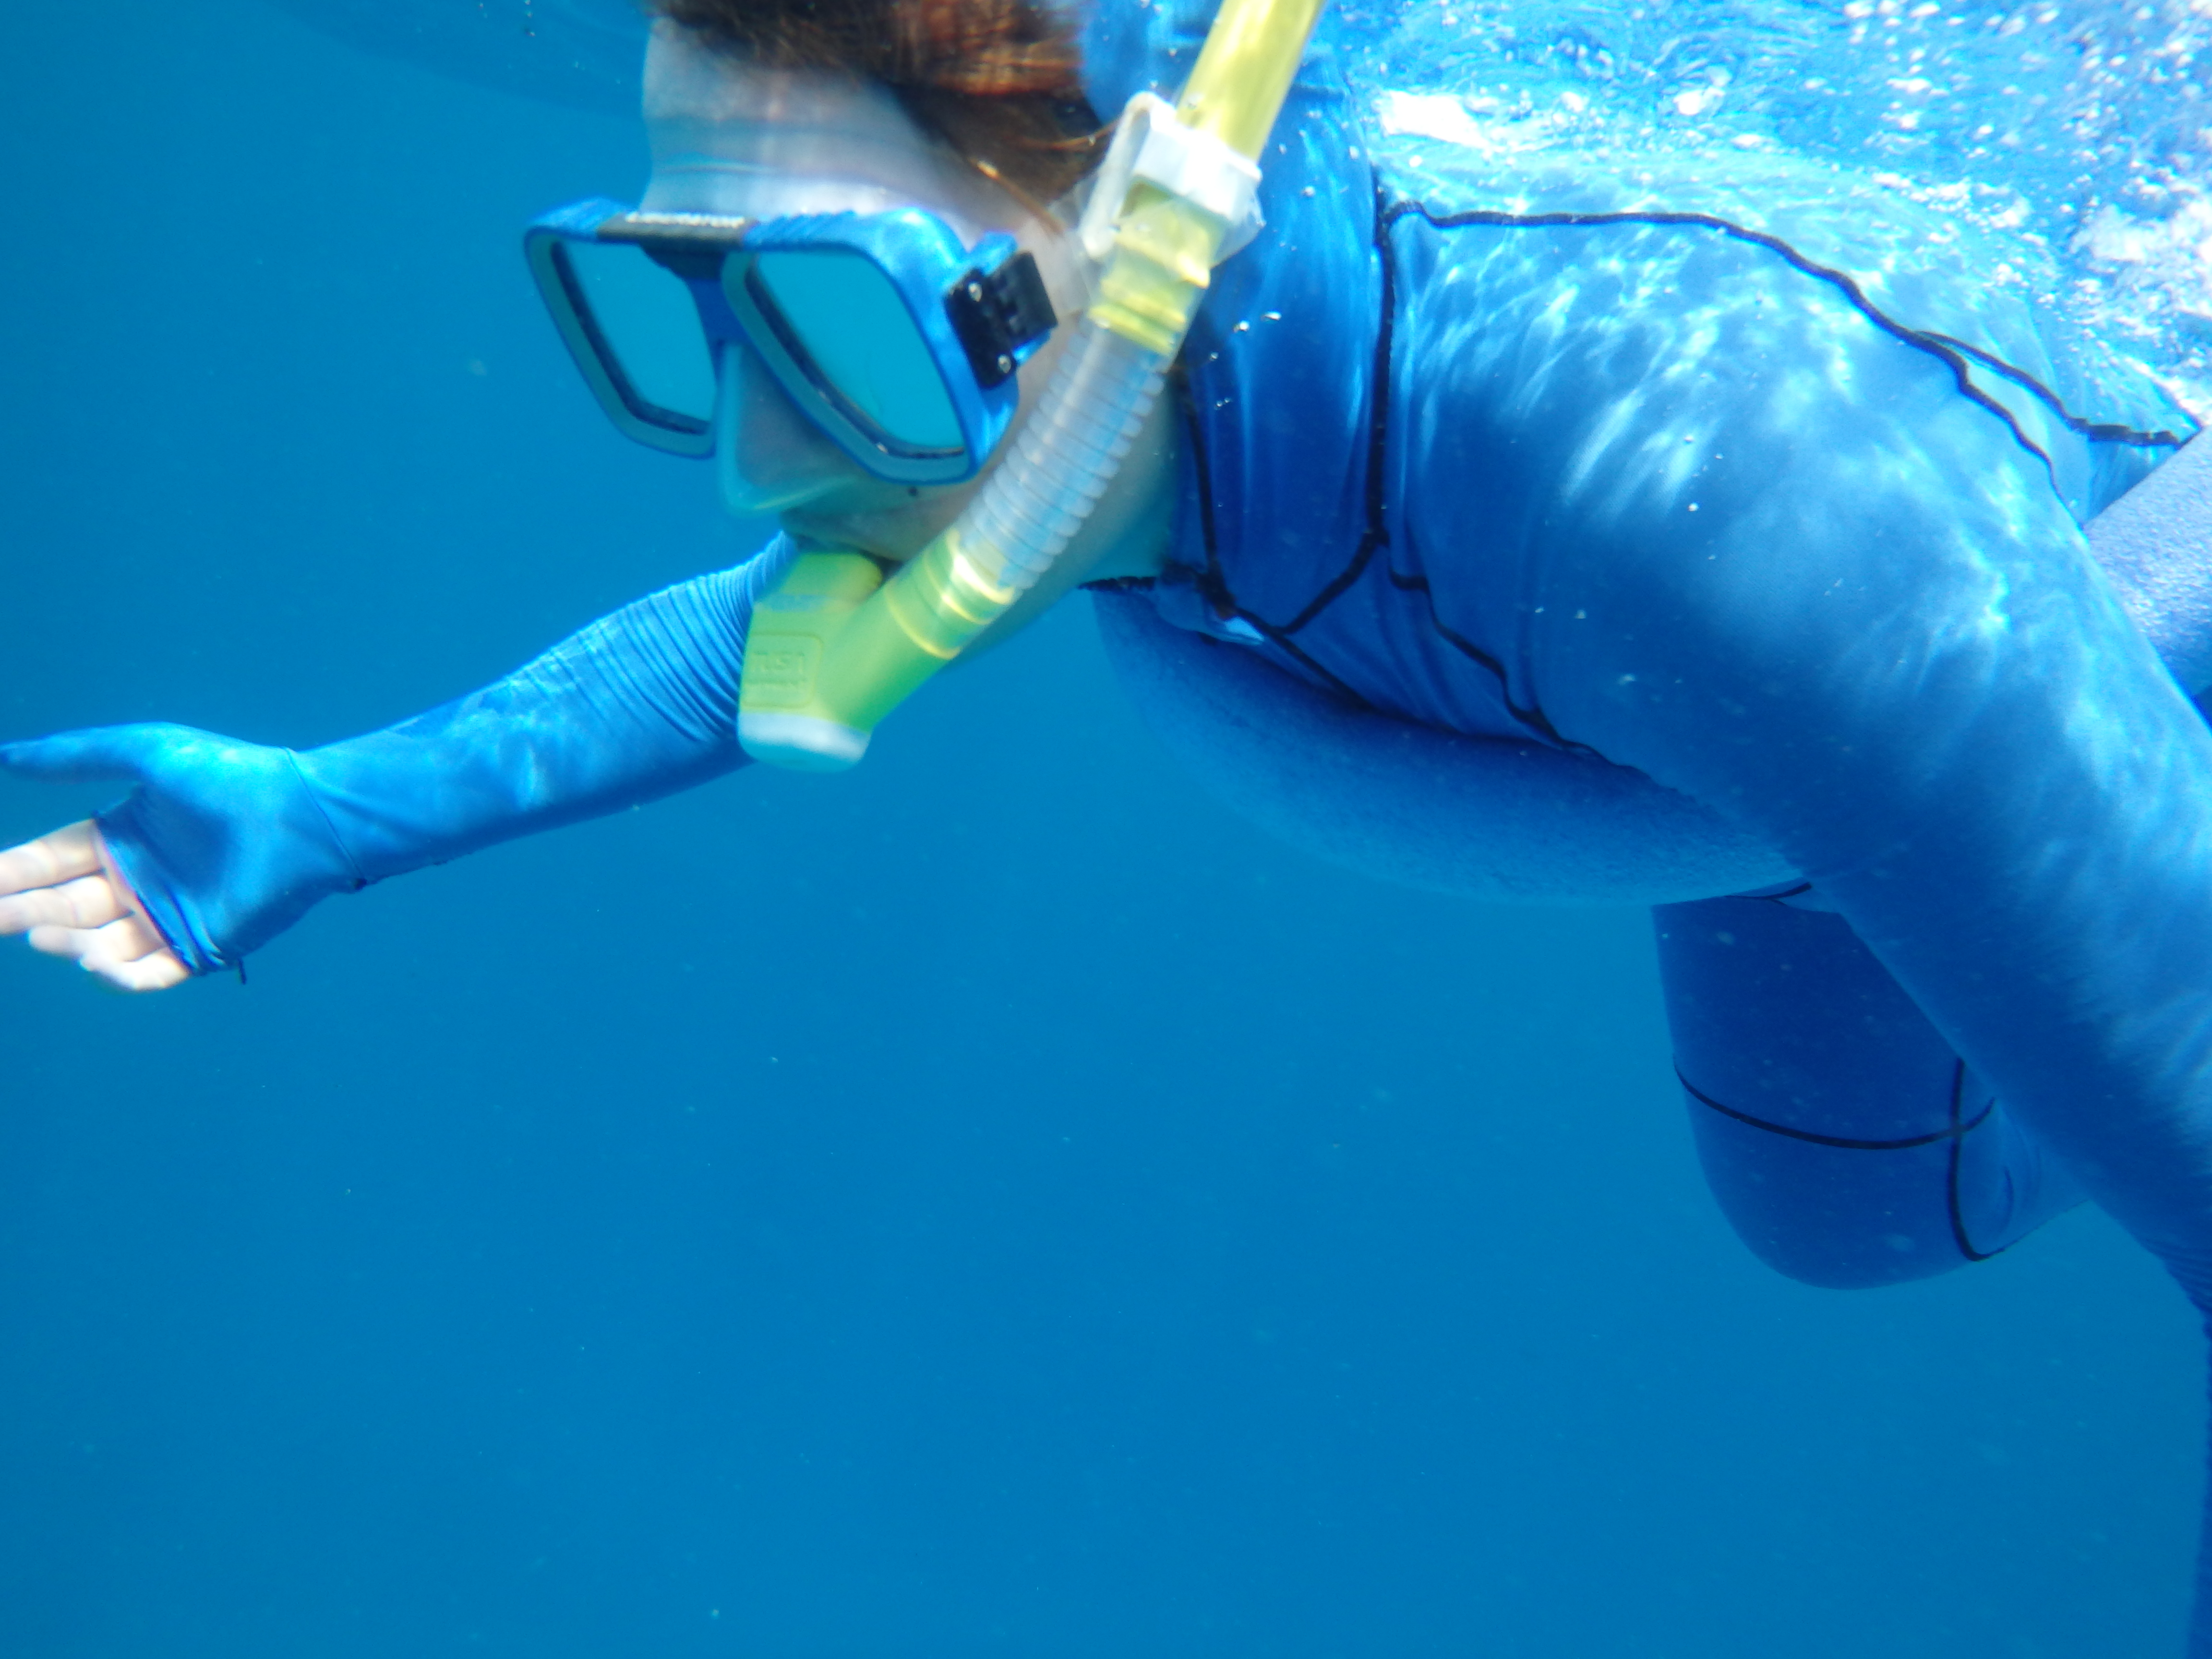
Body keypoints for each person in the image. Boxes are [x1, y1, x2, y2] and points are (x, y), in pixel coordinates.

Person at [6, 0, 2212, 1644]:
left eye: (832, 318)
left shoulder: (1730, 518)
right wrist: (322, 811)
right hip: (1771, 760)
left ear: (1142, 230)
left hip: (1965, 663)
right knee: (1844, 1223)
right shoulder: (1111, 404)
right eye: (676, 304)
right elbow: (749, 637)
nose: (759, 467)